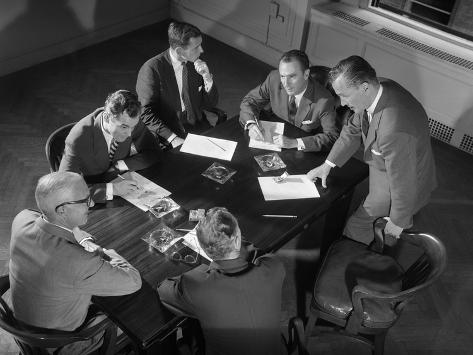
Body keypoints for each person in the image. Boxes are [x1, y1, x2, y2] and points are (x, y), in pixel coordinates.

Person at [307, 55, 437, 244]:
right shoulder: (380, 87)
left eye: (344, 95)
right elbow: (353, 129)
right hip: (389, 165)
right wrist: (327, 164)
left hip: (398, 186)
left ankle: (361, 261)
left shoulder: (394, 129)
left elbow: (403, 183)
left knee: (358, 228)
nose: (342, 103)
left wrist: (398, 221)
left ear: (364, 87)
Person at [9, 172, 142, 353]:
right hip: (60, 343)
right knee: (137, 312)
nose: (91, 204)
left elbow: (39, 217)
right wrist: (103, 251)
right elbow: (133, 281)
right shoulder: (80, 262)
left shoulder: (21, 219)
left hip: (25, 326)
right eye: (85, 200)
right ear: (61, 210)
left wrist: (74, 231)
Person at [158, 207, 286, 355]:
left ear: (204, 249)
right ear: (238, 239)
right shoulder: (274, 267)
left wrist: (199, 273)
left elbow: (163, 290)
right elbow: (256, 251)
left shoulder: (196, 285)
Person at [59, 89, 161, 203]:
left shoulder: (131, 122)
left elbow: (154, 152)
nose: (129, 134)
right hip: (93, 194)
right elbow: (65, 189)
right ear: (107, 117)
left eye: (133, 127)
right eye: (124, 127)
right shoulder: (78, 139)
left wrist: (120, 165)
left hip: (123, 182)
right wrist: (113, 189)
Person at [136, 21, 218, 148]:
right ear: (179, 51)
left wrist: (207, 78)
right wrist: (172, 138)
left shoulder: (195, 65)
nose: (201, 50)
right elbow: (145, 112)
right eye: (196, 47)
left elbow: (210, 104)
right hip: (169, 132)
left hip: (199, 126)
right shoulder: (152, 69)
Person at [239, 49, 339, 152]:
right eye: (283, 76)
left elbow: (332, 137)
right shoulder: (274, 79)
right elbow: (250, 101)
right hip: (273, 140)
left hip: (303, 148)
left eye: (292, 76)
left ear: (306, 74)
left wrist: (295, 143)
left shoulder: (324, 100)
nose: (285, 83)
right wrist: (251, 124)